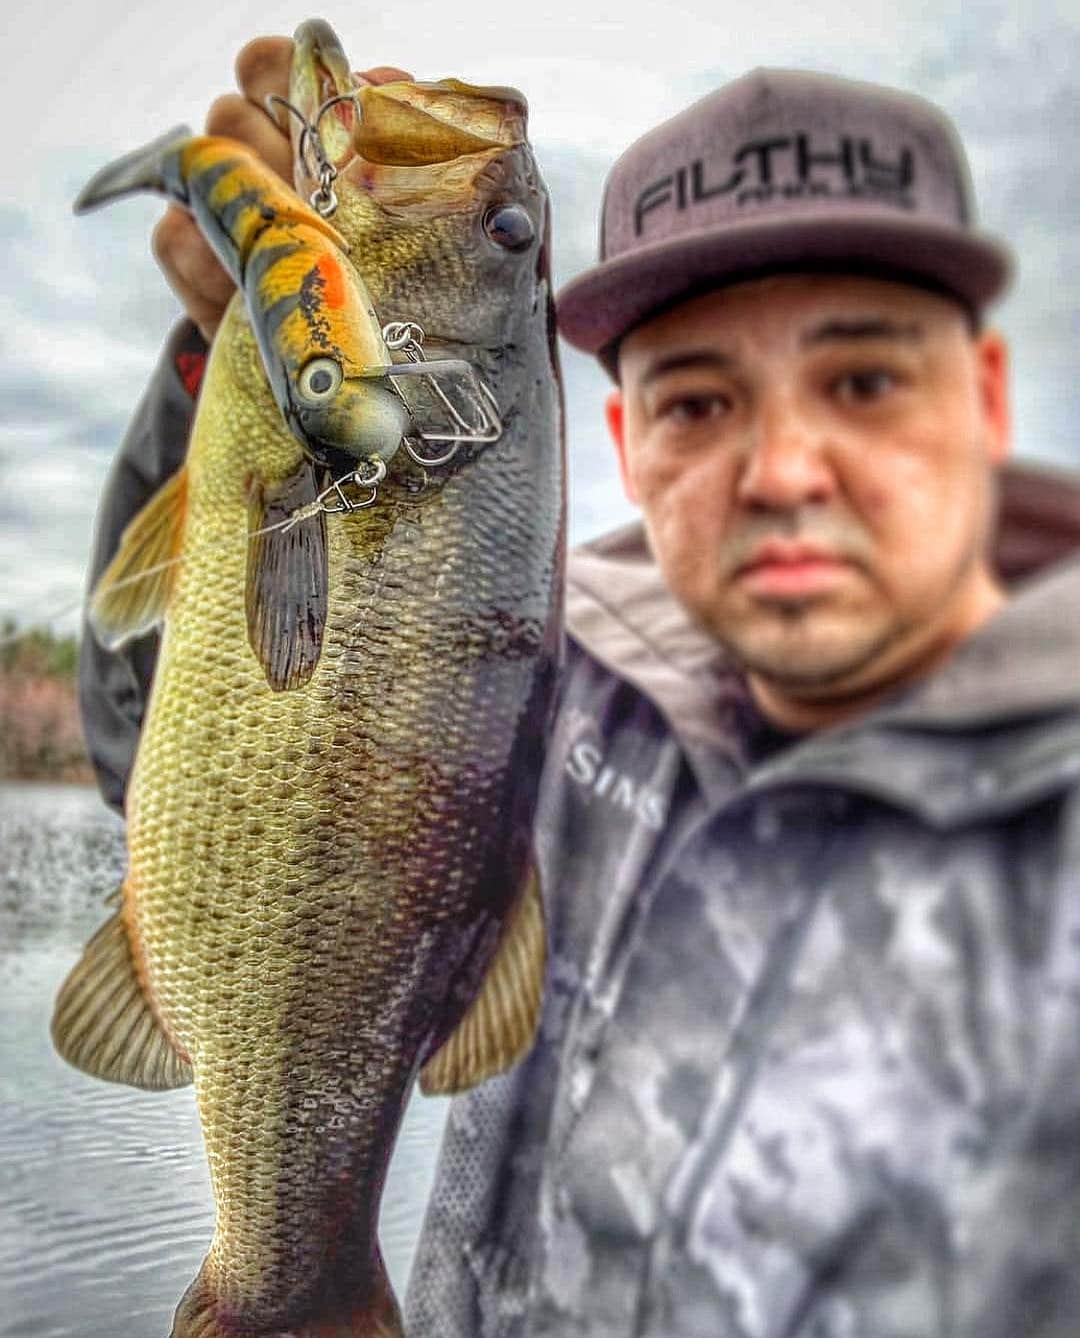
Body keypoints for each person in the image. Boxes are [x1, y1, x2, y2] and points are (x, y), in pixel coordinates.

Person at [80, 37, 1080, 1338]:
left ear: (989, 397)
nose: (782, 469)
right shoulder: (560, 683)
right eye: (700, 401)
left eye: (864, 380)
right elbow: (144, 742)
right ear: (621, 439)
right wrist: (233, 357)